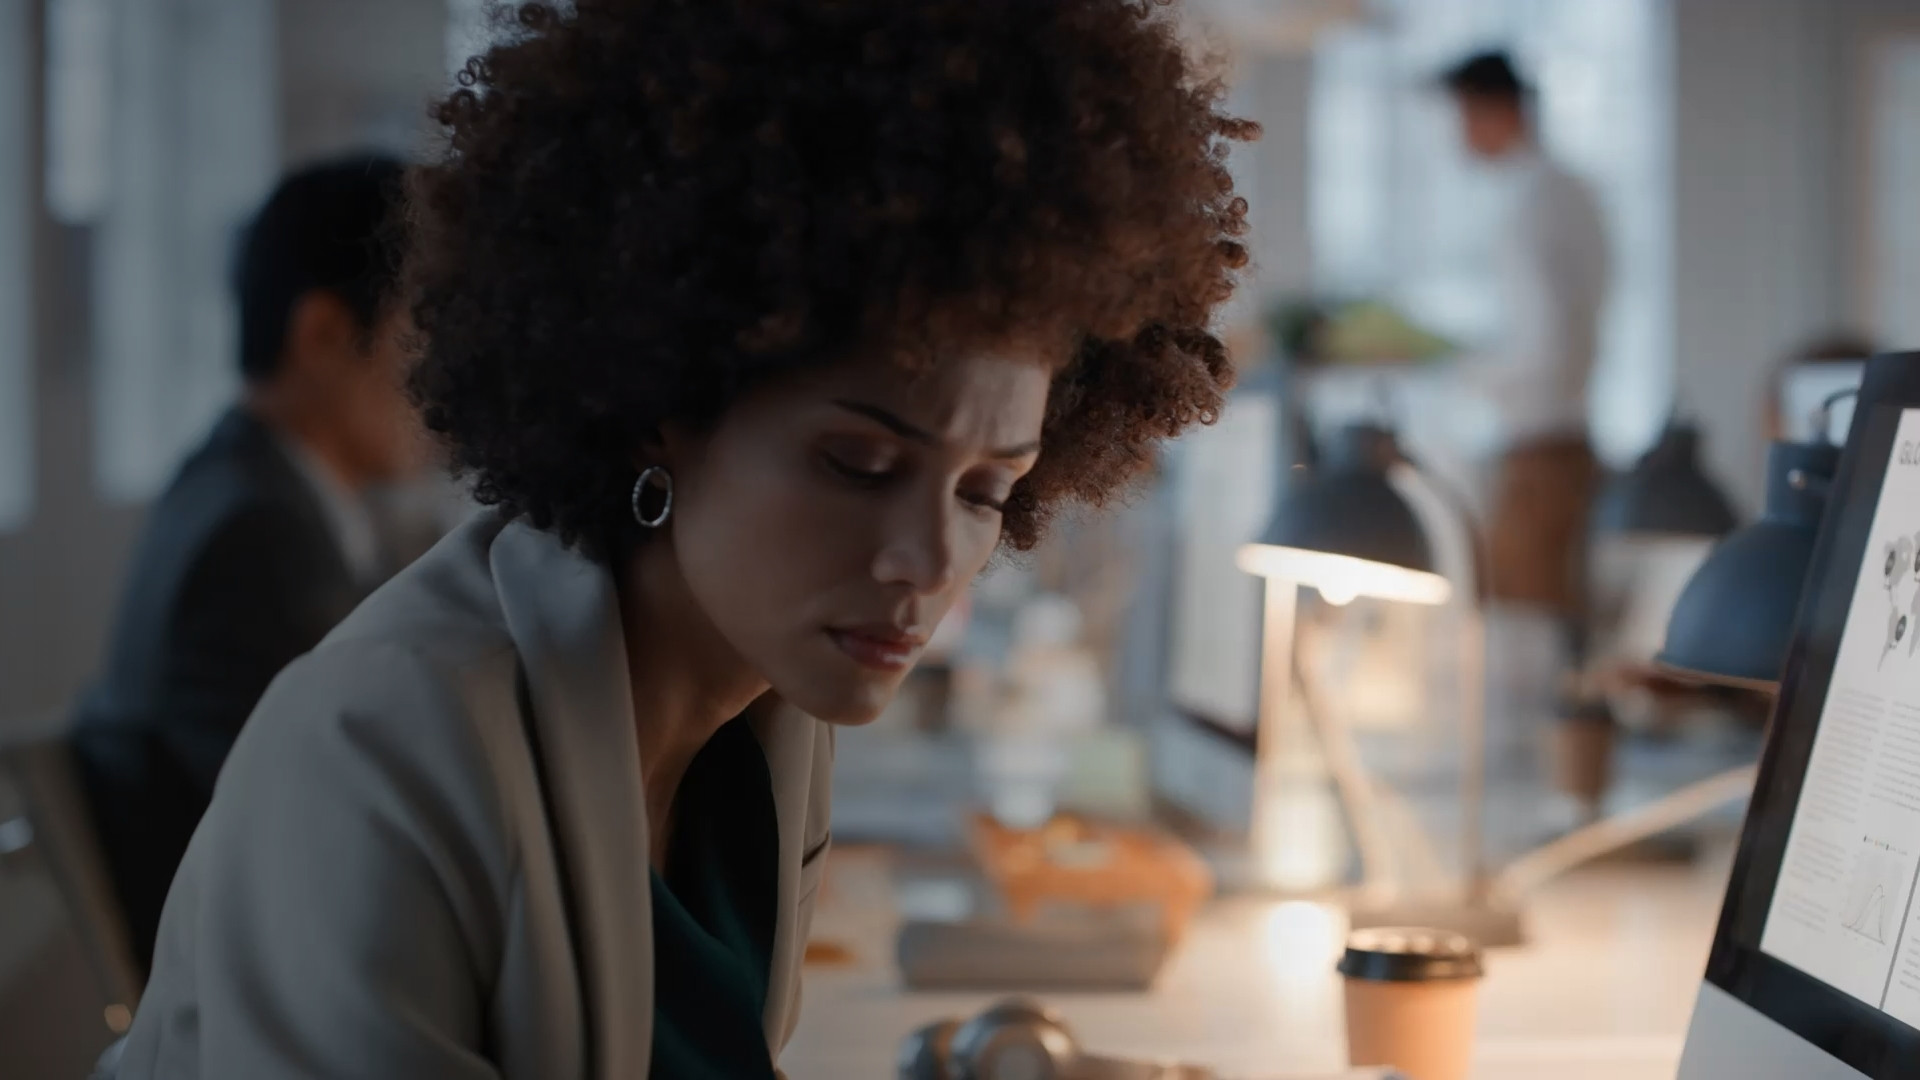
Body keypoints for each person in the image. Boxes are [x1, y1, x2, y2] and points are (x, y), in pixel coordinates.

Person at [116, 2, 1251, 1077]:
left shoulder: (770, 715)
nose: (928, 563)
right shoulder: (379, 751)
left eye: (988, 491)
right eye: (858, 464)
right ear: (661, 403)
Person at [68, 154, 423, 974]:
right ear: (326, 335)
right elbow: (326, 827)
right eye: (422, 332)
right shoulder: (256, 536)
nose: (441, 384)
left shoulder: (238, 488)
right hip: (265, 991)